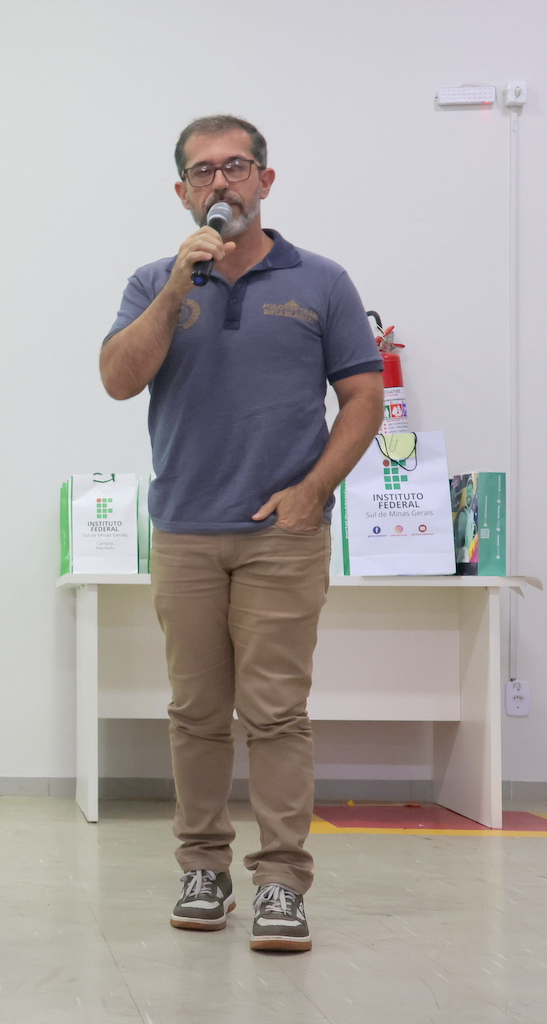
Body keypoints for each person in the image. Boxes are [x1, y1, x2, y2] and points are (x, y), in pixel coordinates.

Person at [100, 115, 383, 952]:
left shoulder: (321, 281)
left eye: (235, 166)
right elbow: (118, 380)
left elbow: (362, 398)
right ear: (182, 191)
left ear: (265, 179)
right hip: (185, 529)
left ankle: (282, 881)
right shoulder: (154, 280)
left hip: (280, 537)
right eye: (203, 171)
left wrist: (312, 491)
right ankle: (202, 869)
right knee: (194, 713)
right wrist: (175, 290)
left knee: (275, 714)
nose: (220, 182)